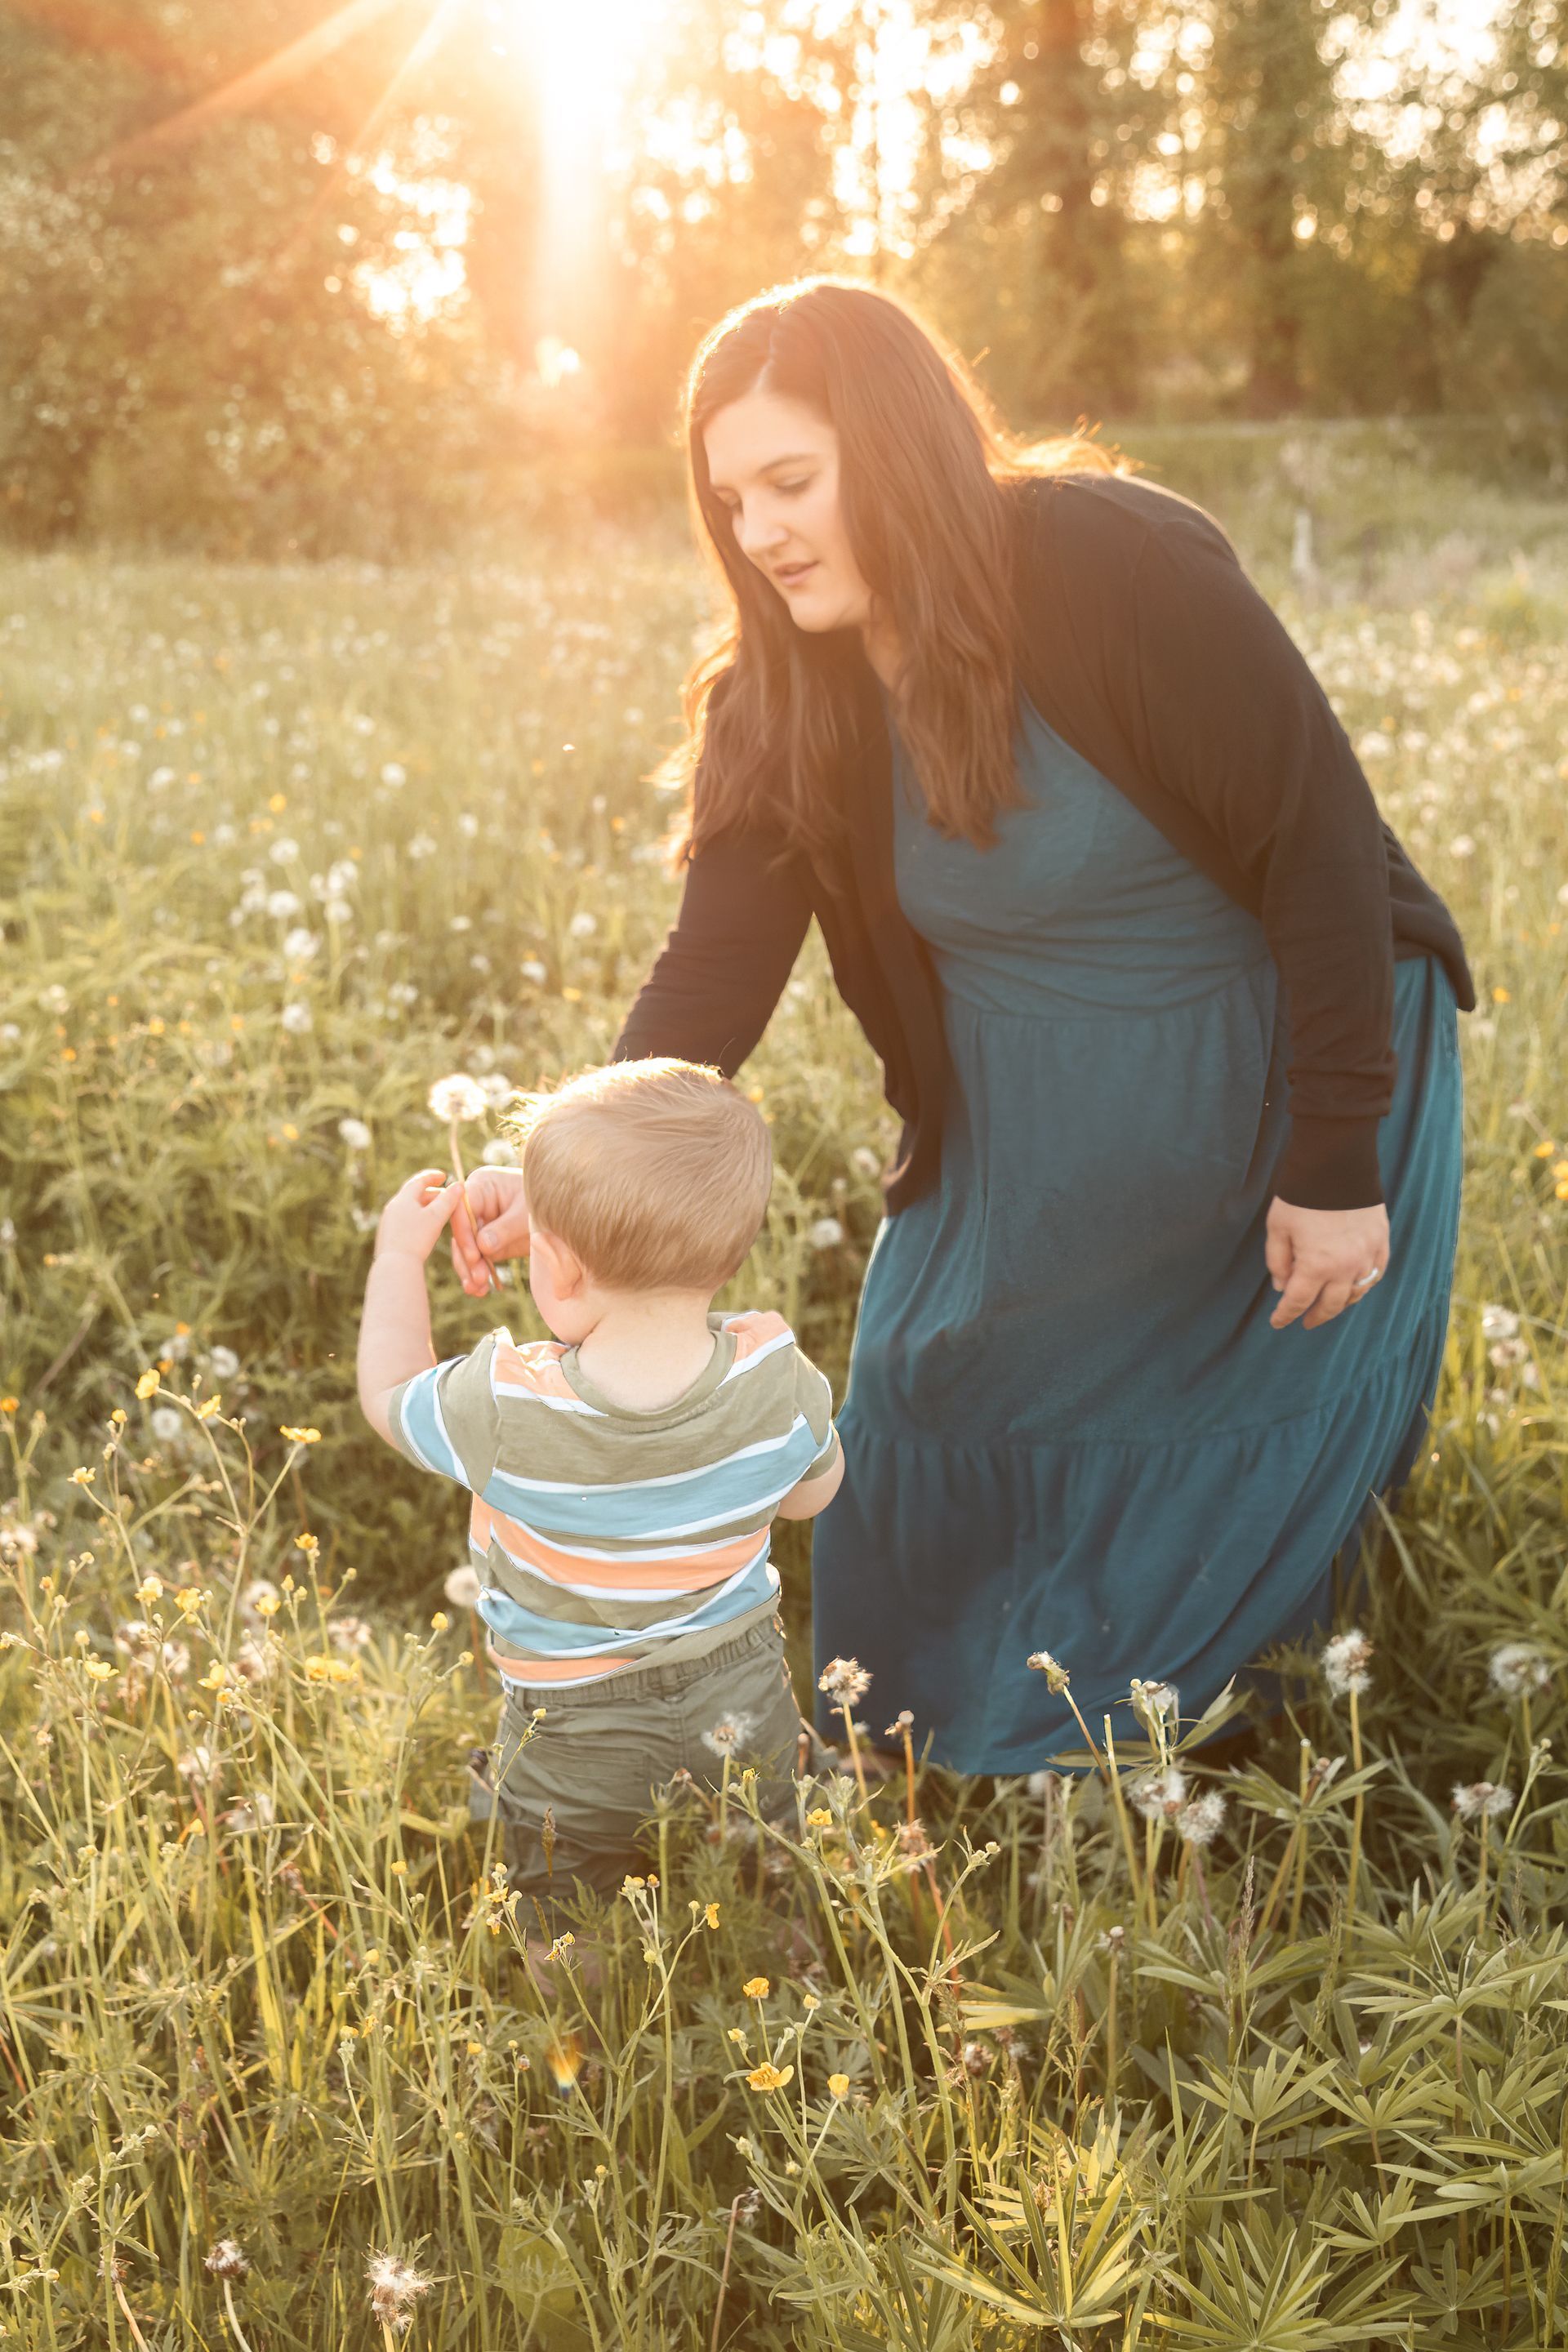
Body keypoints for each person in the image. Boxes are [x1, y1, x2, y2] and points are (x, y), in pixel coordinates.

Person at [453, 277, 1472, 1780]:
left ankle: (1153, 1752)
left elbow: (1319, 838)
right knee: (924, 1381)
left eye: (793, 481)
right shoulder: (781, 688)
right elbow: (711, 973)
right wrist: (558, 1171)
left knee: (1221, 1421)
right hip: (1024, 1089)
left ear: (898, 442)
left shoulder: (1110, 564)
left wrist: (1333, 1155)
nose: (764, 531)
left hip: (1277, 1053)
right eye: (733, 501)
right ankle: (911, 1729)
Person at [358, 1057, 843, 1927]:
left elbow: (388, 1394)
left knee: (557, 1884)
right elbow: (811, 1497)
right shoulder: (776, 1372)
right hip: (743, 1697)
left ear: (557, 1264)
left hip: (571, 1726)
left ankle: (573, 2003)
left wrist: (399, 1256)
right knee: (768, 1859)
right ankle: (783, 1960)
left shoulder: (504, 1402)